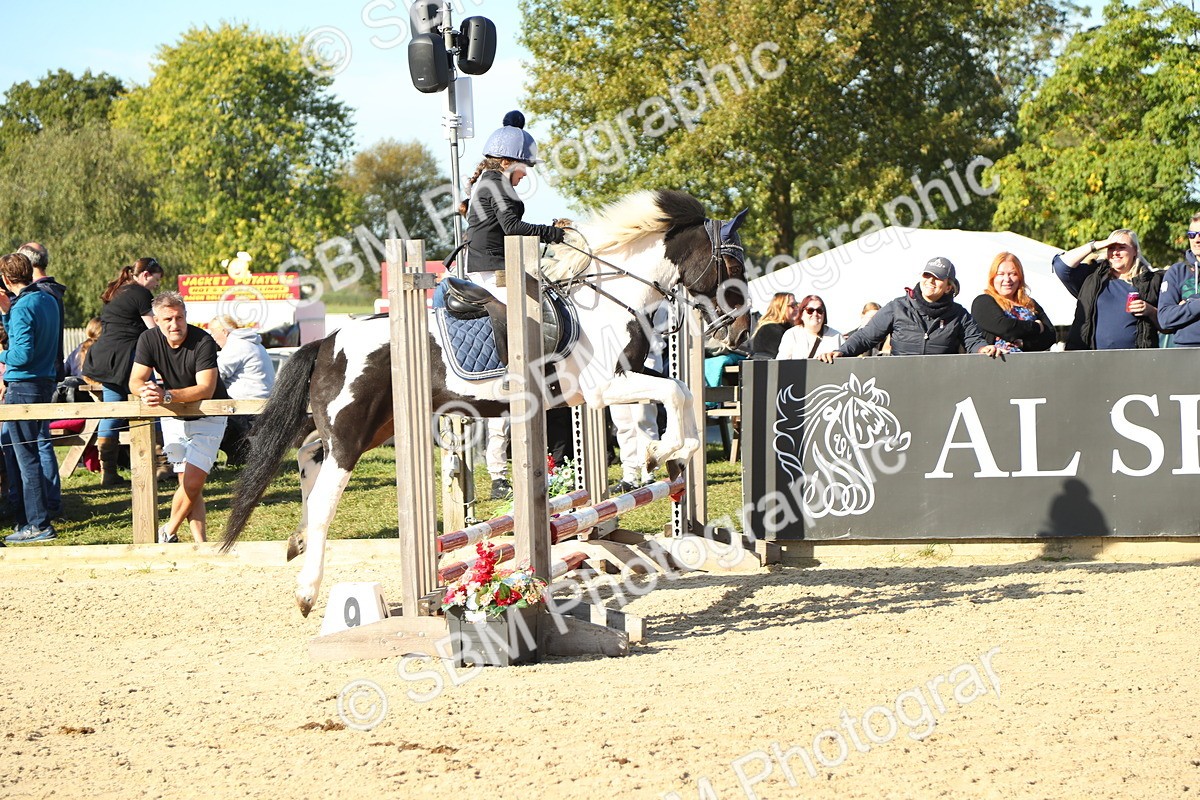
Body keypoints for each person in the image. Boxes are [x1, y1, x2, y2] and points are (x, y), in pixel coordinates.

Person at [459, 111, 568, 500]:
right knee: (517, 358)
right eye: (523, 167)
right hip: (492, 275)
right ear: (507, 162)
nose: (526, 174)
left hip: (494, 269)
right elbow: (513, 230)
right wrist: (551, 233)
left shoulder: (491, 182)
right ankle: (498, 471)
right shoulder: (497, 184)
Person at [129, 292, 229, 544]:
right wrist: (147, 392)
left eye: (179, 317)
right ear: (157, 320)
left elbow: (205, 388)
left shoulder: (203, 340)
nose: (175, 324)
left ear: (186, 317)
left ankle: (168, 531)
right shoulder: (148, 339)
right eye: (168, 319)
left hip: (208, 413)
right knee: (188, 482)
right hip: (174, 415)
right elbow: (135, 380)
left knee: (194, 481)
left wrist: (166, 396)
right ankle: (200, 543)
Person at [819, 257, 999, 361]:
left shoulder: (960, 314)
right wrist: (842, 351)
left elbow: (974, 341)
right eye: (927, 275)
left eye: (937, 278)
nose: (930, 281)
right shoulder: (897, 307)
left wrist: (983, 349)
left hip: (942, 386)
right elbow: (867, 336)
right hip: (899, 382)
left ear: (949, 287)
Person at [83, 258, 165, 484]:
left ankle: (108, 472)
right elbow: (154, 331)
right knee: (153, 402)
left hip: (106, 358)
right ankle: (162, 465)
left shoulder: (119, 291)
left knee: (112, 411)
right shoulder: (140, 293)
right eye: (156, 280)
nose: (156, 286)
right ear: (146, 275)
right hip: (127, 358)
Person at [0, 253, 62, 543]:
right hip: (44, 380)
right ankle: (33, 519)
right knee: (33, 453)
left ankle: (38, 523)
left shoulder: (23, 305)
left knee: (25, 459)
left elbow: (21, 354)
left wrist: (0, 356)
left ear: (5, 278)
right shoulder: (46, 299)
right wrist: (5, 313)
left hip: (23, 386)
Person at [1053, 229, 1161, 350]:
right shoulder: (1092, 278)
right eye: (1111, 247)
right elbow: (1061, 266)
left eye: (1121, 247)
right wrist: (1096, 245)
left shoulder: (1151, 282)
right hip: (1090, 361)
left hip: (1134, 362)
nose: (1115, 252)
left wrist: (1151, 311)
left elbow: (1167, 326)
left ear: (1135, 251)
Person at [208, 315, 275, 464]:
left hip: (244, 407)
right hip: (259, 404)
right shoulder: (253, 343)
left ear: (224, 331)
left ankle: (216, 460)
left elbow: (214, 376)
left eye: (213, 332)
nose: (212, 337)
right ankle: (241, 458)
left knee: (209, 422)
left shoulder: (236, 346)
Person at [970, 252, 1057, 353]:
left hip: (1029, 364)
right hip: (995, 363)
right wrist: (1037, 327)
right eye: (1001, 274)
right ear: (993, 277)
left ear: (1020, 277)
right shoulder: (983, 302)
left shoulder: (1030, 304)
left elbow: (1050, 335)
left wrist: (1024, 343)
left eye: (1013, 274)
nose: (1007, 279)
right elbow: (1005, 328)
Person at [1157, 213, 1200, 347]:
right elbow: (1165, 319)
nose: (1196, 239)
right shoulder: (1177, 271)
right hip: (1186, 350)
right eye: (1192, 234)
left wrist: (1187, 304)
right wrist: (1195, 304)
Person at [777, 294, 844, 359]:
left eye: (819, 310)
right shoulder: (791, 335)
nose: (815, 314)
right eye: (810, 310)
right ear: (801, 314)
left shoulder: (836, 336)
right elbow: (782, 364)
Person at [748, 292, 799, 358]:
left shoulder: (786, 327)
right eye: (793, 305)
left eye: (797, 305)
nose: (796, 308)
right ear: (780, 307)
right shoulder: (770, 329)